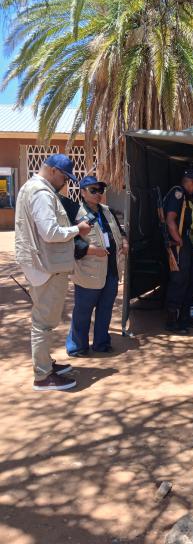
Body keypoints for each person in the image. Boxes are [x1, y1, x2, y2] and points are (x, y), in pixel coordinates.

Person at [15, 154, 92, 391]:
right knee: (43, 323)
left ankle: (46, 364)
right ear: (52, 170)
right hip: (46, 268)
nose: (65, 182)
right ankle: (43, 376)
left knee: (44, 319)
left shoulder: (32, 188)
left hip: (42, 265)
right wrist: (77, 229)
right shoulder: (41, 193)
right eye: (64, 177)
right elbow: (49, 232)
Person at [66, 176, 128, 357]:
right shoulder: (75, 214)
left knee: (105, 309)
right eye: (93, 190)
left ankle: (101, 343)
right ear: (83, 192)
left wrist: (124, 241)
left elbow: (120, 230)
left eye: (100, 190)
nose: (98, 194)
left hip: (112, 269)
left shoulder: (107, 211)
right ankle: (77, 346)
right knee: (83, 311)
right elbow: (69, 243)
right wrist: (91, 250)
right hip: (89, 272)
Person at [164, 169, 193, 333]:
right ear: (190, 182)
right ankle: (172, 321)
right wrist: (179, 240)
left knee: (191, 280)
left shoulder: (186, 197)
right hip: (179, 243)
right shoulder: (178, 193)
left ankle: (185, 319)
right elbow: (170, 219)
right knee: (179, 281)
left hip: (185, 242)